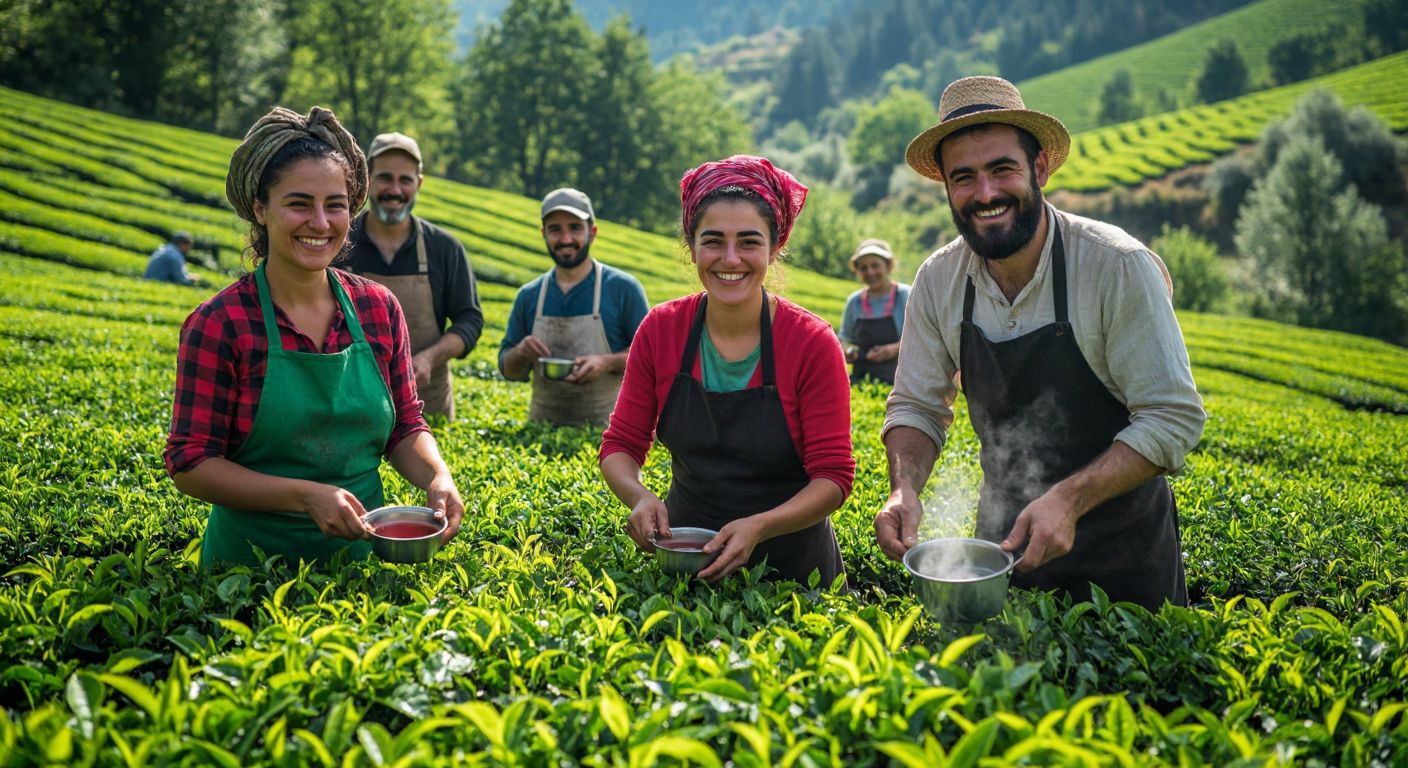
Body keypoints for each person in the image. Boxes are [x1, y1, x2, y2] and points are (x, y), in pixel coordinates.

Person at [874, 76, 1205, 610]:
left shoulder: (1115, 265)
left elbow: (1172, 417)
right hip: (1003, 549)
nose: (985, 194)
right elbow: (916, 405)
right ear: (947, 189)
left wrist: (1069, 500)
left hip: (1123, 558)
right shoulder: (939, 280)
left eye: (1002, 168)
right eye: (964, 178)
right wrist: (904, 487)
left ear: (1041, 168)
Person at [164, 106, 464, 569]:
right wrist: (304, 497)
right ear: (260, 210)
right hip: (246, 574)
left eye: (336, 205)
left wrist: (437, 476)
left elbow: (405, 425)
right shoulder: (221, 323)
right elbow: (191, 463)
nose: (320, 223)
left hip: (363, 565)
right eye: (299, 203)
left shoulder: (378, 308)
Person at [600, 155, 855, 586]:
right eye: (713, 240)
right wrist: (639, 497)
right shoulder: (662, 330)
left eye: (750, 242)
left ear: (775, 249)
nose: (731, 258)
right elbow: (621, 445)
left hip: (793, 575)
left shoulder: (811, 342)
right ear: (692, 245)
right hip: (687, 560)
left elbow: (833, 477)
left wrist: (762, 525)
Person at [344, 132, 484, 420]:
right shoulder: (341, 242)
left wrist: (429, 358)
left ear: (418, 183)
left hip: (427, 407)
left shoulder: (443, 248)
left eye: (405, 180)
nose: (395, 190)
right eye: (385, 178)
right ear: (366, 178)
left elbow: (469, 320)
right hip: (349, 403)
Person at [498, 188, 649, 425]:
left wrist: (606, 362)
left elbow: (651, 359)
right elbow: (509, 370)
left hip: (609, 435)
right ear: (543, 234)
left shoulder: (623, 289)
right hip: (540, 433)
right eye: (555, 229)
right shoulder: (529, 295)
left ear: (593, 232)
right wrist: (520, 352)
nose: (566, 239)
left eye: (575, 227)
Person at [839, 238, 910, 385]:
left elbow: (921, 336)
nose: (870, 272)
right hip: (862, 378)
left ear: (888, 266)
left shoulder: (906, 295)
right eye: (864, 268)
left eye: (875, 265)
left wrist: (895, 349)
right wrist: (850, 350)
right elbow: (844, 338)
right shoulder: (854, 301)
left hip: (901, 380)